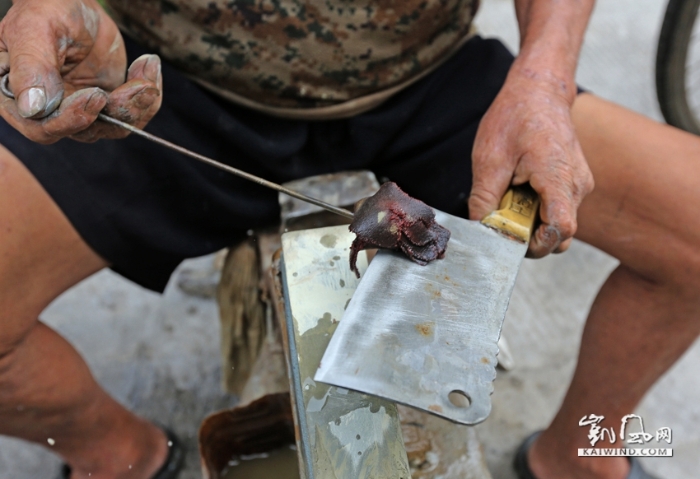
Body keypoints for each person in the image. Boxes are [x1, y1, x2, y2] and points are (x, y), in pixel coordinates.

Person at [0, 0, 695, 477]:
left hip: (426, 82)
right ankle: (117, 452)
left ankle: (580, 452)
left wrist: (542, 79)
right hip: (157, 89)